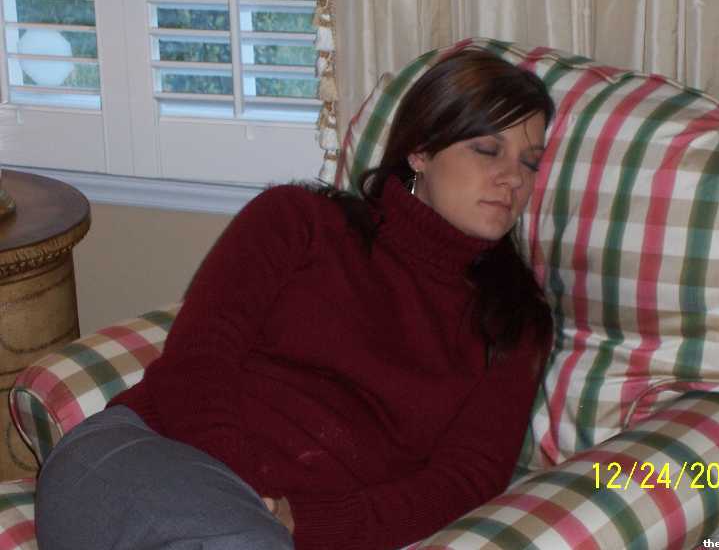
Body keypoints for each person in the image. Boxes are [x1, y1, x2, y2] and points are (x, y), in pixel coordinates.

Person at [34, 47, 555, 550]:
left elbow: (463, 481)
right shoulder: (298, 221)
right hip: (143, 457)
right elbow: (197, 362)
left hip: (271, 527)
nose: (513, 178)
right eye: (487, 150)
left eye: (530, 163)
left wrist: (307, 521)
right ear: (420, 151)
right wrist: (255, 497)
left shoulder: (515, 324)